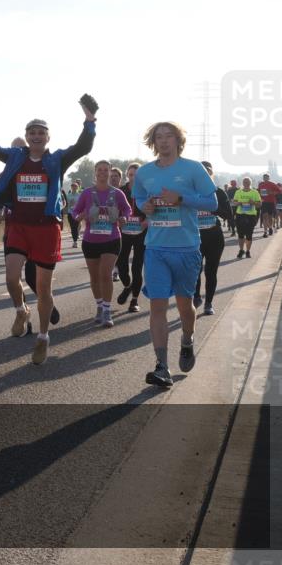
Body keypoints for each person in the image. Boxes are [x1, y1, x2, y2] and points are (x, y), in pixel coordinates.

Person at [0, 97, 96, 365]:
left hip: (46, 228)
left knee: (43, 289)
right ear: (26, 136)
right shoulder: (15, 156)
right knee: (11, 278)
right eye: (31, 132)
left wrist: (89, 122)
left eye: (41, 132)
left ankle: (43, 337)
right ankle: (21, 310)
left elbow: (83, 147)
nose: (36, 136)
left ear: (48, 137)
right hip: (18, 225)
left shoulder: (56, 159)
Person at [133, 121, 218, 388]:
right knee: (157, 306)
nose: (164, 141)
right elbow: (138, 198)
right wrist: (144, 205)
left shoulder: (193, 169)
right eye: (159, 137)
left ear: (178, 140)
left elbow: (212, 203)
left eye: (169, 136)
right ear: (153, 142)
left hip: (187, 248)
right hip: (156, 248)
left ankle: (187, 339)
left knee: (184, 306)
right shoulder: (144, 172)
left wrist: (181, 199)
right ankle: (162, 367)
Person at [0, 137, 62, 326]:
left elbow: (54, 196)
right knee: (13, 277)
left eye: (20, 149)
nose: (15, 154)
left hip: (39, 230)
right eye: (11, 150)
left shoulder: (40, 167)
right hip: (13, 231)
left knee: (33, 277)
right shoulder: (4, 176)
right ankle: (23, 313)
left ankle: (47, 306)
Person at [71, 161, 132, 327]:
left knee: (105, 274)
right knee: (95, 277)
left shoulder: (117, 193)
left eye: (106, 170)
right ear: (95, 173)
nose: (103, 173)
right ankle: (99, 305)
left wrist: (124, 218)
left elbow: (127, 209)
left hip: (111, 239)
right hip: (91, 240)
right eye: (100, 170)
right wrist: (79, 216)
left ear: (110, 172)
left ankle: (106, 309)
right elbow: (75, 211)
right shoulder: (87, 193)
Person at [193, 161, 232, 316]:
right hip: (195, 237)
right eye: (202, 172)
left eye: (208, 171)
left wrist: (213, 208)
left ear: (211, 174)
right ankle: (196, 297)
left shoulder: (219, 192)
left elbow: (228, 215)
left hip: (214, 237)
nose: (205, 174)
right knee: (195, 271)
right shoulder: (190, 192)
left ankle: (208, 303)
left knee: (211, 272)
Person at [116, 162, 147, 313]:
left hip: (142, 232)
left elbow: (156, 209)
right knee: (121, 265)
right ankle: (127, 286)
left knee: (137, 267)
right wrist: (117, 219)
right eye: (130, 174)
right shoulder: (121, 191)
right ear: (127, 175)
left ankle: (134, 300)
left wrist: (147, 221)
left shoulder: (147, 190)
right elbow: (113, 209)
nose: (133, 177)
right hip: (124, 232)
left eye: (136, 174)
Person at [232, 177, 262, 259]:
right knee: (240, 235)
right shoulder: (238, 192)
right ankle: (241, 250)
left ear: (250, 183)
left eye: (248, 182)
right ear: (242, 183)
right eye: (245, 182)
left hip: (250, 216)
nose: (246, 183)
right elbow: (233, 203)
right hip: (240, 215)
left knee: (249, 235)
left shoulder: (255, 192)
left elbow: (259, 205)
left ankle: (248, 251)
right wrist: (239, 203)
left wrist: (253, 203)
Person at [64, 181, 82, 248]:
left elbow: (82, 204)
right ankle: (75, 241)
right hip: (70, 213)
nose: (74, 188)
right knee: (72, 227)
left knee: (76, 226)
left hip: (77, 213)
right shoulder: (68, 195)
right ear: (71, 188)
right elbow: (66, 204)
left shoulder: (79, 195)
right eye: (72, 187)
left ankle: (75, 241)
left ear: (77, 187)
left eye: (75, 187)